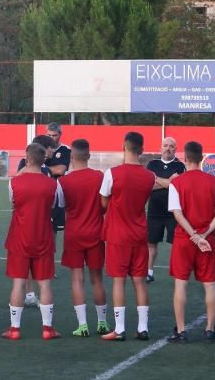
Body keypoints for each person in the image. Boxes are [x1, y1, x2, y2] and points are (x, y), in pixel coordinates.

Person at [167, 141, 215, 343]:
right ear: (202, 158)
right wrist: (203, 234)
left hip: (184, 239)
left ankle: (181, 331)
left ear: (185, 158)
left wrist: (193, 234)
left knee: (181, 284)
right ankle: (210, 329)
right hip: (206, 240)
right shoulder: (213, 181)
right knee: (210, 285)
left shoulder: (177, 182)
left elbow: (177, 213)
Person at [4, 142, 62, 341]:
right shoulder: (53, 184)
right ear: (44, 160)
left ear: (27, 159)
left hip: (19, 238)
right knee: (44, 284)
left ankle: (14, 329)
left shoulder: (14, 182)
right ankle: (47, 328)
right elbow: (55, 204)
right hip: (43, 238)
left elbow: (13, 203)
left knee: (19, 283)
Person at [100, 132, 154, 341]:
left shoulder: (112, 173)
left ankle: (120, 329)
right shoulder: (149, 176)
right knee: (140, 282)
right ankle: (143, 328)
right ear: (141, 149)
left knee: (118, 281)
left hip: (117, 235)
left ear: (124, 146)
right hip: (139, 233)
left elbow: (103, 202)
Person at [57, 139, 109, 337]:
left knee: (77, 280)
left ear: (71, 157)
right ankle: (102, 322)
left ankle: (83, 325)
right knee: (97, 279)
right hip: (96, 232)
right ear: (88, 155)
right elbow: (105, 204)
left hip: (74, 234)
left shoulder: (63, 181)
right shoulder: (99, 176)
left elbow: (62, 205)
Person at [15, 134, 55, 307]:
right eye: (50, 148)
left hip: (33, 225)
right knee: (39, 277)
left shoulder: (47, 171)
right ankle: (31, 295)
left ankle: (15, 327)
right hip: (35, 227)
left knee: (24, 275)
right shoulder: (25, 170)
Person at [145, 136, 185, 283]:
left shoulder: (180, 166)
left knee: (176, 243)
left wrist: (157, 180)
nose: (168, 148)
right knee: (151, 243)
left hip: (173, 212)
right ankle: (148, 272)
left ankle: (178, 272)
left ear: (176, 148)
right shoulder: (152, 164)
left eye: (171, 146)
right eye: (165, 145)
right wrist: (169, 182)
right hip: (154, 211)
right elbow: (149, 184)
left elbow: (178, 186)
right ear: (160, 147)